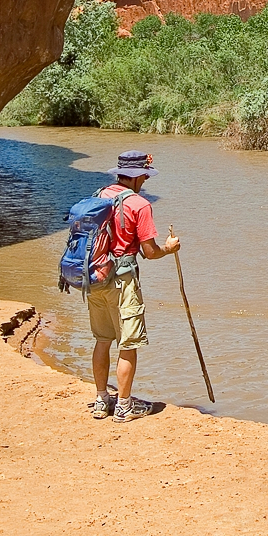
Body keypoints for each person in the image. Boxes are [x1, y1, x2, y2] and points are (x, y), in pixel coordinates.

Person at [87, 150, 180, 422]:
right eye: (145, 176)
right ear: (139, 176)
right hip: (122, 280)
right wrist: (170, 248)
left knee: (102, 340)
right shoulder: (140, 205)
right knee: (128, 343)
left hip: (95, 277)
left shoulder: (100, 194)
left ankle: (102, 399)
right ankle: (124, 406)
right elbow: (149, 252)